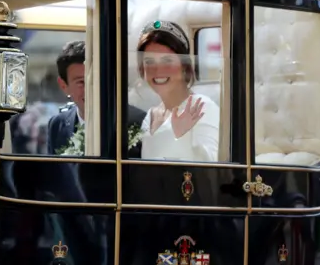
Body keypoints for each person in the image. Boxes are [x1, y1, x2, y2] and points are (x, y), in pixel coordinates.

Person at [136, 20, 220, 162]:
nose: (158, 70)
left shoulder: (201, 107)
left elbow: (211, 168)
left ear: (184, 65)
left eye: (167, 61)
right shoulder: (150, 116)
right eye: (149, 62)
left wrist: (181, 136)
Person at [46, 40, 147, 155]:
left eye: (96, 80)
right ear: (64, 86)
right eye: (81, 82)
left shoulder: (138, 122)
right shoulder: (57, 125)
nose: (91, 89)